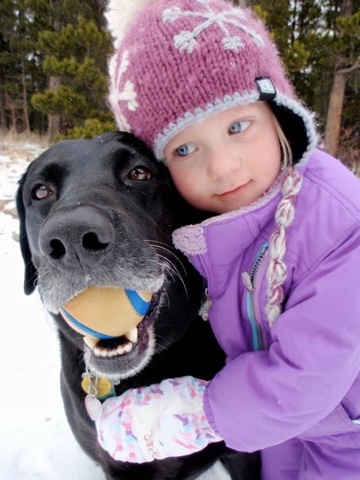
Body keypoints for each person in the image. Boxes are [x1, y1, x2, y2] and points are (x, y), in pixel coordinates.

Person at [94, 0, 360, 478]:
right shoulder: (214, 222)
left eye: (238, 126)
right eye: (185, 148)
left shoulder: (341, 224)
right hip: (291, 428)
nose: (222, 167)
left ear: (279, 113)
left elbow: (308, 376)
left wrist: (199, 413)